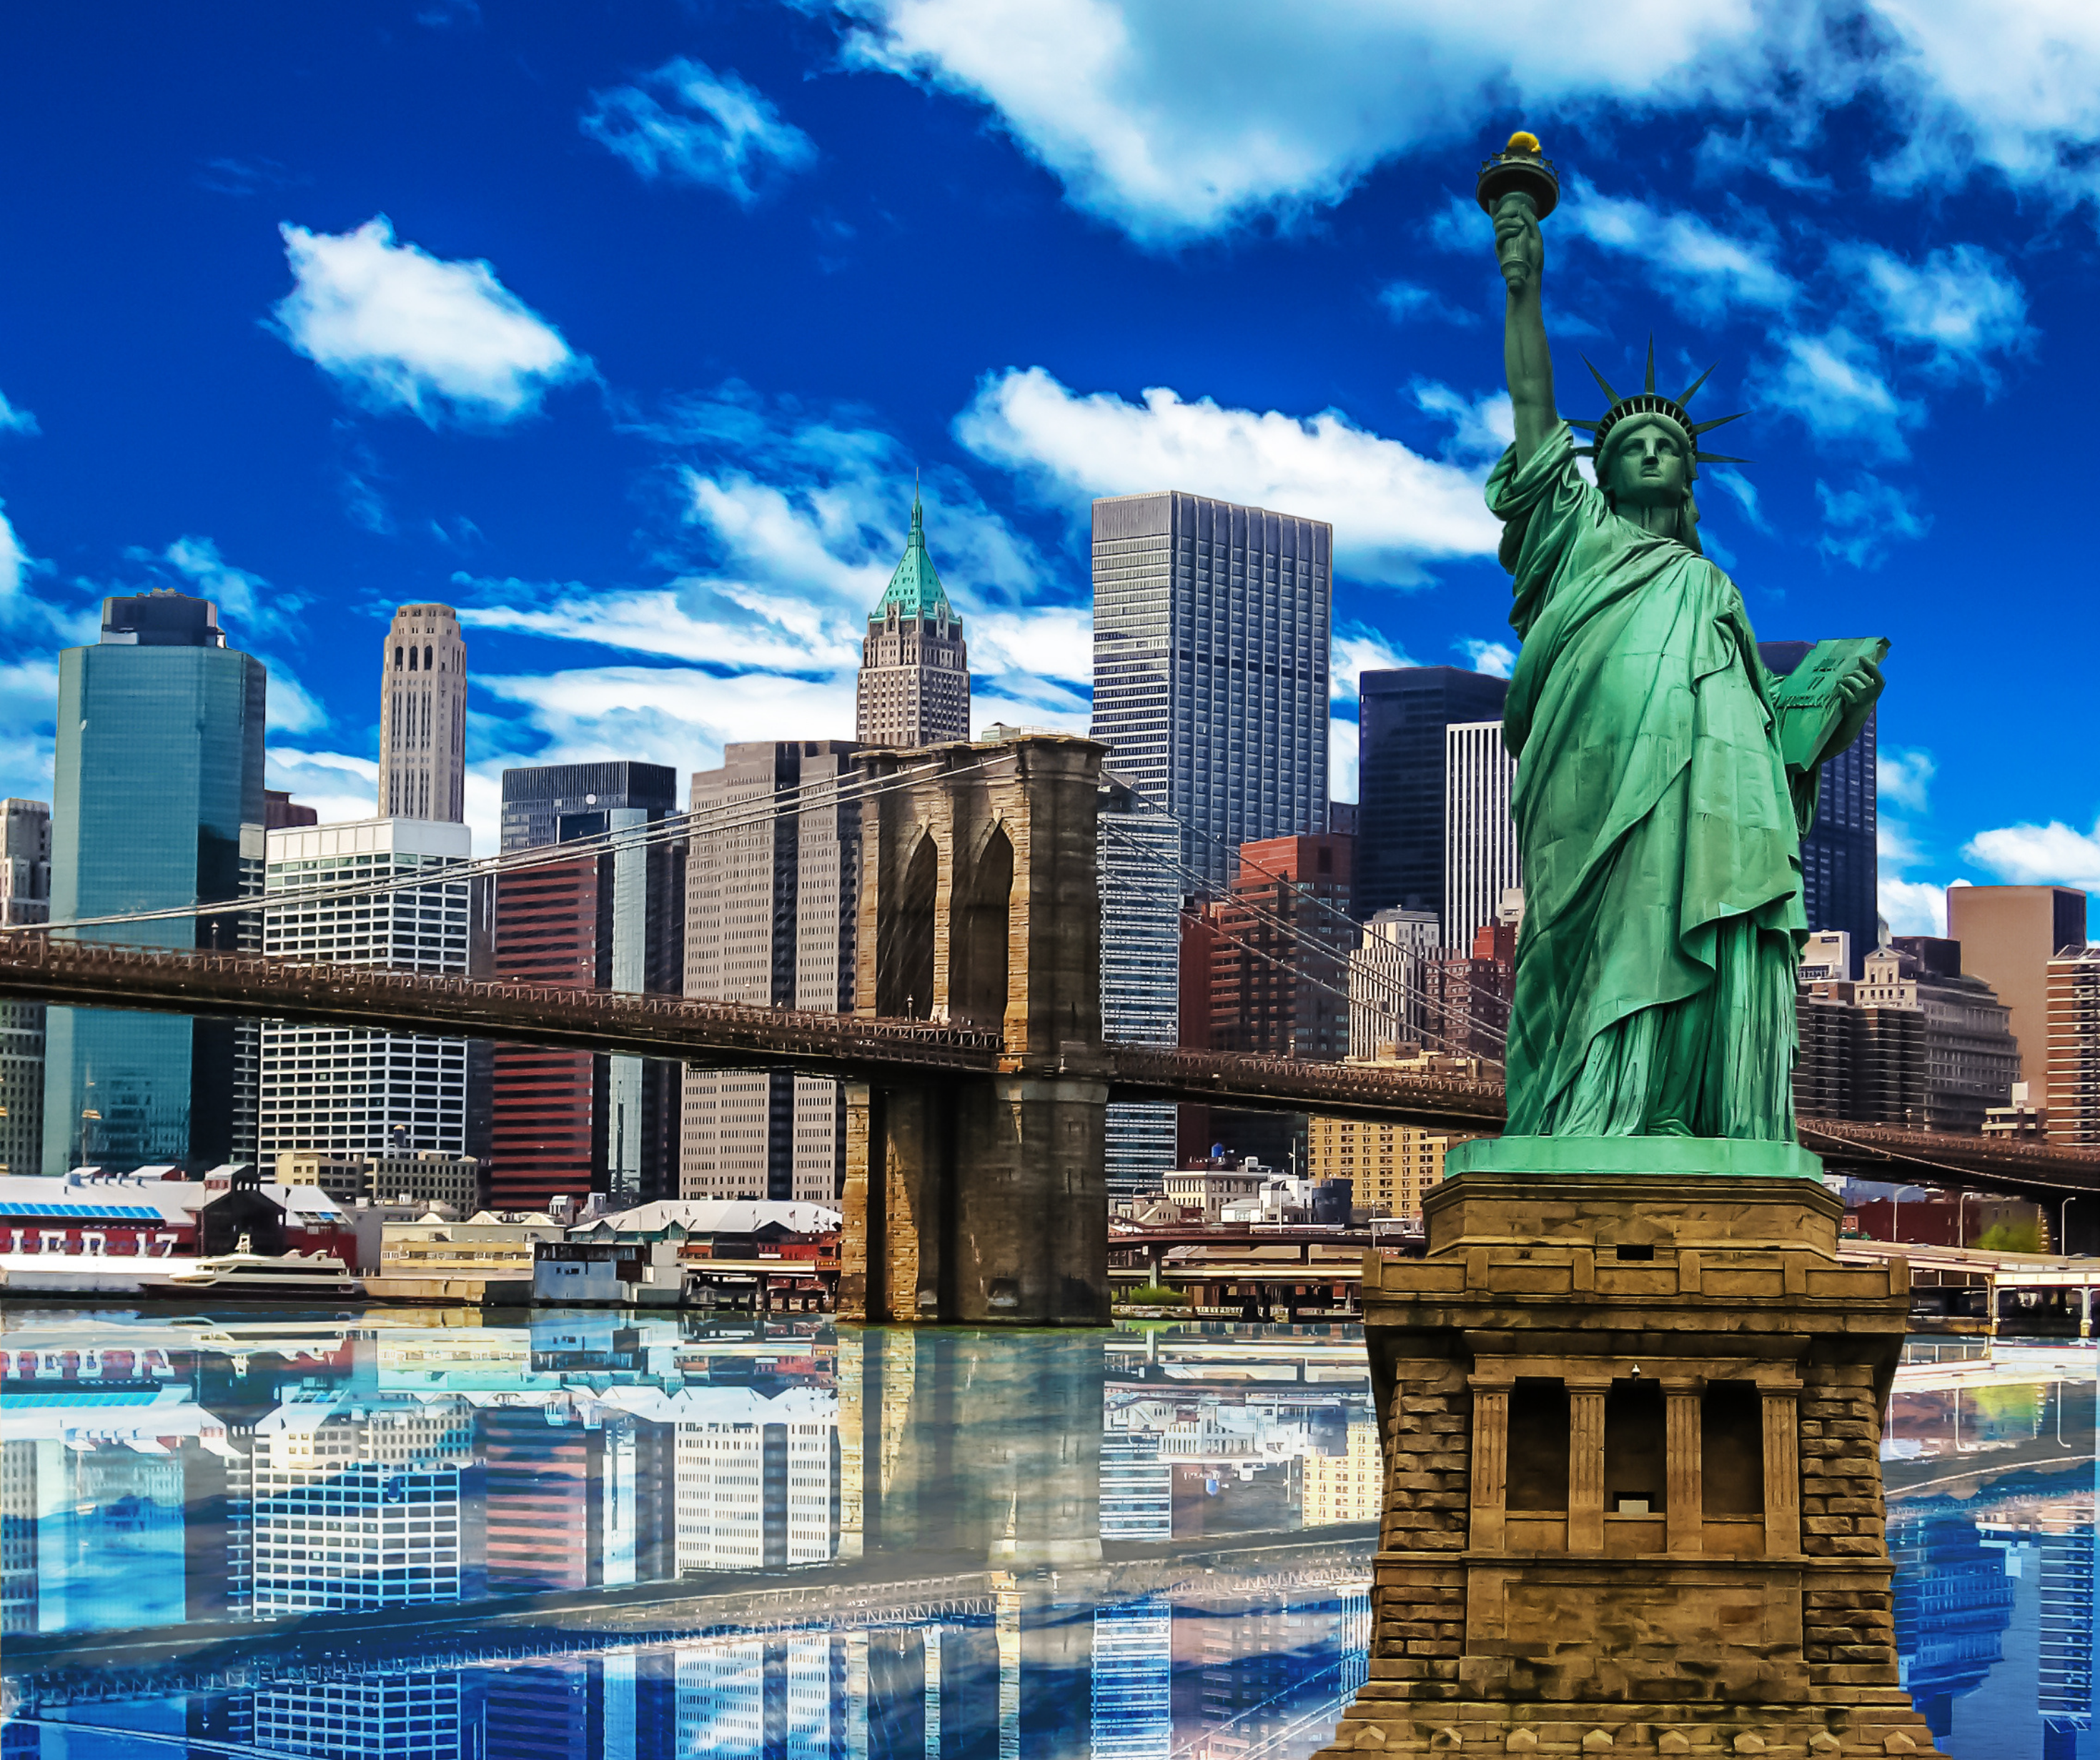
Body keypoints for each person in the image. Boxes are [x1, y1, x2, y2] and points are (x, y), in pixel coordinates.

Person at [1487, 189, 1881, 1140]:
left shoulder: (1712, 591)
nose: (1654, 453)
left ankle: (1663, 1107)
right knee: (1588, 939)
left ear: (1688, 477)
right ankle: (1582, 1114)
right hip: (1589, 789)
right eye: (1632, 445)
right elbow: (1535, 410)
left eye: (1669, 445)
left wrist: (1829, 718)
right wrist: (1522, 290)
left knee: (1678, 921)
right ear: (1604, 471)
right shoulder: (1573, 538)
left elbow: (1764, 729)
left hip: (1700, 798)